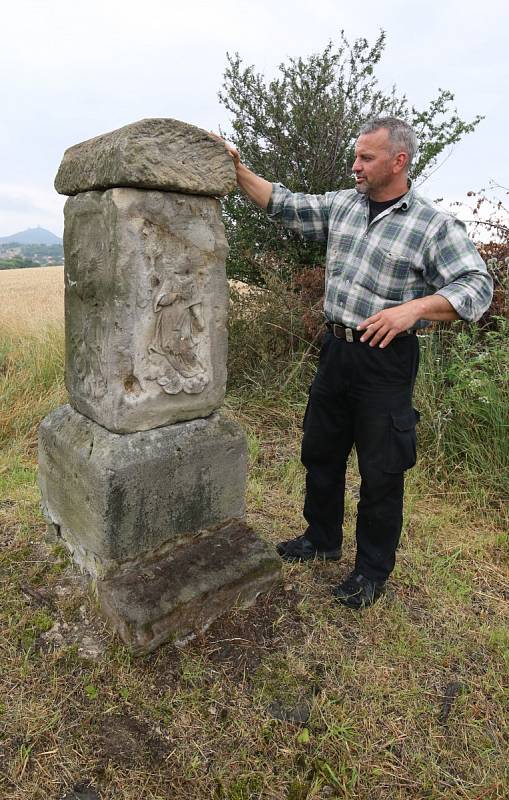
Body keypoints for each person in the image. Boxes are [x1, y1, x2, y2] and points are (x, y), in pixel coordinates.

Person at [221, 117, 493, 609]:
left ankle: (370, 570)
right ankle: (321, 539)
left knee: (381, 470)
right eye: (356, 156)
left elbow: (477, 286)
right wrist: (237, 169)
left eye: (366, 157)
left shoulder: (432, 225)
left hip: (386, 362)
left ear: (398, 161)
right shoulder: (344, 205)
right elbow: (285, 204)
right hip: (336, 351)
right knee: (320, 451)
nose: (355, 166)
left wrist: (415, 309)